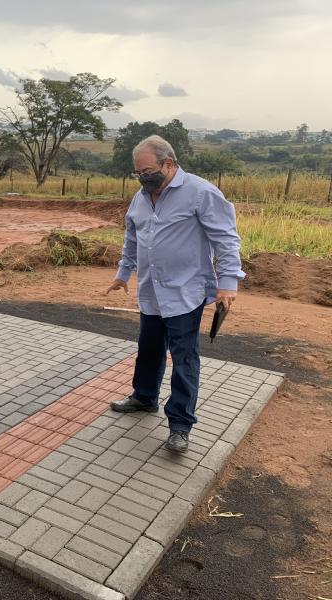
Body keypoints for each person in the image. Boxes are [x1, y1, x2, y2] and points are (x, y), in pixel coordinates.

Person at [106, 135, 245, 453]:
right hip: (151, 292)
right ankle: (144, 397)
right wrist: (123, 273)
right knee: (149, 347)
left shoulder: (201, 192)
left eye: (146, 171)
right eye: (137, 173)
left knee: (184, 359)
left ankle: (180, 425)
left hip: (185, 292)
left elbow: (226, 240)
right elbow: (132, 238)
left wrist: (228, 283)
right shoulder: (141, 197)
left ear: (169, 163)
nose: (142, 178)